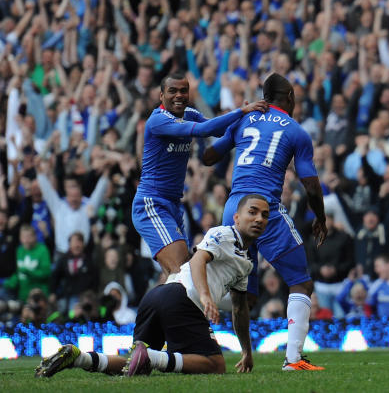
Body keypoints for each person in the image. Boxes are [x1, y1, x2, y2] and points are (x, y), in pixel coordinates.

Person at [36, 194, 270, 377]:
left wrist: (247, 351)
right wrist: (206, 296)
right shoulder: (224, 234)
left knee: (135, 366)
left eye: (264, 215)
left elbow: (240, 310)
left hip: (158, 297)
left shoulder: (247, 263)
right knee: (215, 364)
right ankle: (153, 356)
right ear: (236, 218)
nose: (259, 218)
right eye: (252, 212)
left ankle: (78, 358)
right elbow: (198, 258)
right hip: (183, 299)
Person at [202, 73, 327, 371]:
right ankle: (294, 360)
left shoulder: (244, 119)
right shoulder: (296, 131)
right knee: (301, 282)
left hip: (234, 208)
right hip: (263, 207)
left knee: (246, 296)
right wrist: (320, 218)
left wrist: (233, 117)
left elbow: (208, 157)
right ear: (291, 97)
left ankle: (209, 342)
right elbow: (310, 184)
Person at [133, 73, 268, 282]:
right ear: (161, 96)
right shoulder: (157, 121)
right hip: (152, 203)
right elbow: (205, 129)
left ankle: (162, 315)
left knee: (180, 276)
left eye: (183, 91)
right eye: (172, 91)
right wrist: (241, 111)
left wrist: (248, 119)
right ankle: (156, 313)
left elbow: (218, 129)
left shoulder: (189, 113)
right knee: (182, 273)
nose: (179, 95)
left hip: (174, 204)